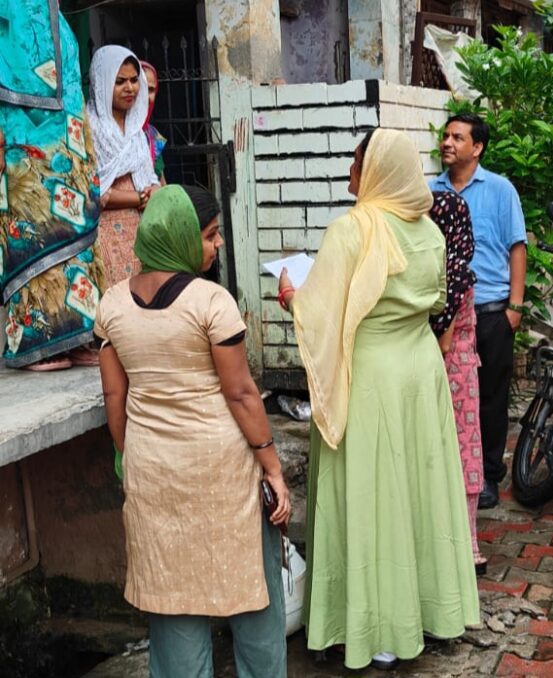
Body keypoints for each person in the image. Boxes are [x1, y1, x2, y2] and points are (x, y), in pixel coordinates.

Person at [279, 129, 479, 671]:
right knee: (416, 494)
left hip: (367, 377)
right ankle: (423, 614)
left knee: (369, 497)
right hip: (418, 371)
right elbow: (438, 300)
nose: (353, 170)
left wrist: (294, 297)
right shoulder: (432, 233)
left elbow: (320, 312)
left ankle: (370, 629)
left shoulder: (353, 229)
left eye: (358, 162)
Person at [95, 184, 289, 677]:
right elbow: (242, 393)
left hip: (154, 470)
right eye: (210, 235)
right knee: (252, 593)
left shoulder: (112, 304)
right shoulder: (211, 301)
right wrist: (271, 466)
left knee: (171, 595)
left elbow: (115, 397)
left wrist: (128, 453)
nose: (217, 244)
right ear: (180, 237)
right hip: (221, 469)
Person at [0, 0, 104, 371]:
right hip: (25, 155)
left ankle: (76, 334)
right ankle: (33, 345)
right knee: (35, 243)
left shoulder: (59, 22)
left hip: (68, 153)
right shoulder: (4, 16)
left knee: (76, 243)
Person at [431, 114, 527, 509]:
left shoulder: (500, 190)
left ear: (478, 147)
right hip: (446, 314)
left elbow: (516, 247)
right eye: (446, 136)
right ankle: (452, 472)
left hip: (490, 311)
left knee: (489, 398)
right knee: (449, 398)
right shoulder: (429, 191)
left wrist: (515, 308)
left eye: (458, 137)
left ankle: (488, 474)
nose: (448, 143)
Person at [429, 190, 485, 574]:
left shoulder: (449, 272)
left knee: (457, 452)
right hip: (465, 369)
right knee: (464, 449)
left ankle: (466, 546)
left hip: (451, 370)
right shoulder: (461, 265)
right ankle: (467, 543)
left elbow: (443, 339)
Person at [88, 45, 159, 288]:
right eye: (119, 82)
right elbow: (95, 191)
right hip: (105, 235)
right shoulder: (89, 129)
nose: (130, 88)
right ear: (103, 84)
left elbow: (150, 177)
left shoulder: (137, 132)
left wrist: (154, 190)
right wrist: (140, 197)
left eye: (133, 80)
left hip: (141, 235)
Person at [140, 61, 167, 183]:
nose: (146, 96)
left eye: (151, 90)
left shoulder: (152, 135)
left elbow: (162, 182)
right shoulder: (110, 134)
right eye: (142, 88)